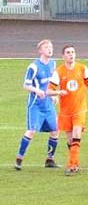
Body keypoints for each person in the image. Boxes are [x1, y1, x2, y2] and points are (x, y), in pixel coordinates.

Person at [47, 45, 88, 176]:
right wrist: (57, 93)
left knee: (77, 135)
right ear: (63, 56)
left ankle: (71, 165)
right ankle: (75, 164)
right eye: (68, 52)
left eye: (72, 52)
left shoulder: (82, 68)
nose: (71, 54)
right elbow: (48, 90)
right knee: (70, 140)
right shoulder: (58, 72)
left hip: (80, 109)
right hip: (65, 111)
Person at [14, 39, 64, 171]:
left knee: (55, 130)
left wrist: (53, 95)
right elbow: (26, 85)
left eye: (51, 47)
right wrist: (37, 90)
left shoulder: (53, 64)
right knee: (31, 131)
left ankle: (50, 159)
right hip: (35, 104)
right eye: (47, 47)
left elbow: (51, 83)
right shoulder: (33, 67)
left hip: (47, 104)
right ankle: (19, 159)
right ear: (40, 50)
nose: (50, 49)